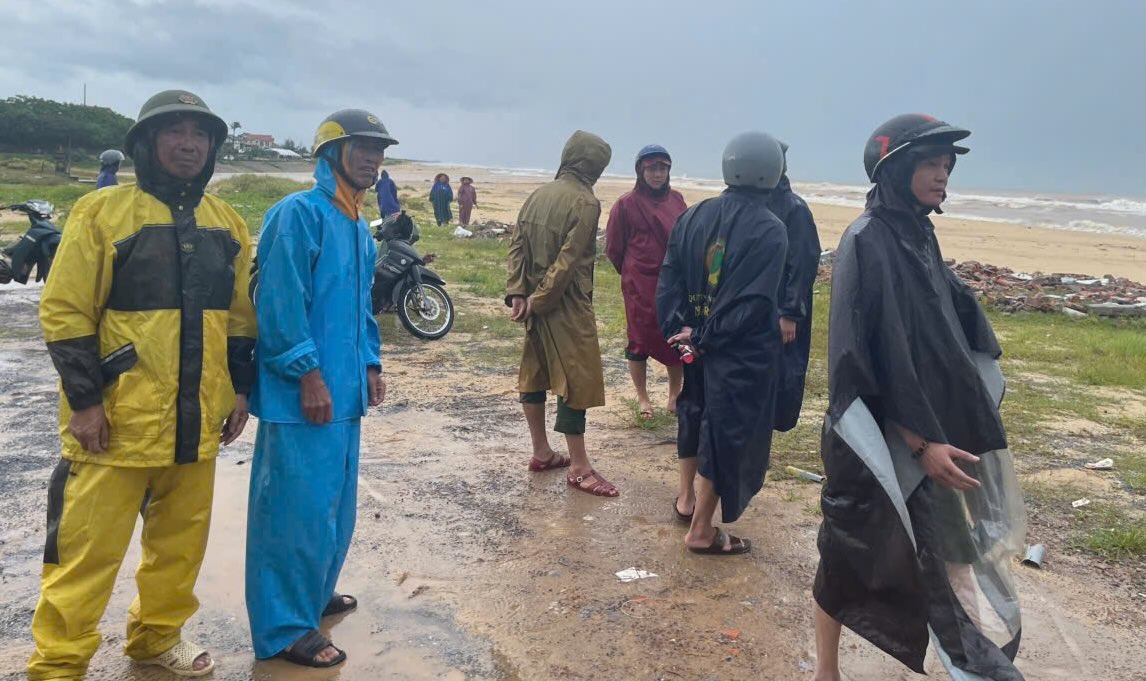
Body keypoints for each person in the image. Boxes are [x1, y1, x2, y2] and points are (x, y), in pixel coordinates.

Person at [29, 89, 256, 680]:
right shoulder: (100, 214)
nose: (189, 144)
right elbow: (66, 312)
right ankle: (58, 664)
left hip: (194, 425)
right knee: (84, 553)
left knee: (179, 549)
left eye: (200, 134)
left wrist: (239, 390)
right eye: (174, 131)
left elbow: (238, 319)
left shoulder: (226, 224)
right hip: (115, 423)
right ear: (145, 143)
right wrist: (84, 404)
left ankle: (156, 638)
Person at [812, 114, 1026, 681]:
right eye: (930, 163)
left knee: (954, 554)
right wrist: (921, 441)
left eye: (947, 166)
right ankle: (825, 672)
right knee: (845, 555)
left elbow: (944, 333)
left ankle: (972, 662)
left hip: (934, 434)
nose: (942, 175)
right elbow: (866, 356)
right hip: (882, 441)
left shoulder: (917, 234)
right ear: (896, 167)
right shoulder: (867, 241)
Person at [245, 109, 392, 669]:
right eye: (361, 147)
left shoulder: (356, 226)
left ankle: (311, 593)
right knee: (292, 512)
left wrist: (371, 363)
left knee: (332, 506)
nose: (373, 158)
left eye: (378, 150)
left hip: (345, 393)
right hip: (301, 395)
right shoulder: (297, 215)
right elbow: (279, 306)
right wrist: (306, 373)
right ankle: (285, 628)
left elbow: (360, 311)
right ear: (330, 153)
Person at [656, 132, 788, 552]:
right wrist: (706, 336)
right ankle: (701, 530)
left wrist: (679, 332)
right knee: (725, 432)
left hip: (692, 342)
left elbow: (669, 280)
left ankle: (685, 499)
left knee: (693, 415)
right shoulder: (770, 229)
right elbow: (751, 302)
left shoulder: (692, 216)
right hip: (737, 352)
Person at [506, 130, 619, 498]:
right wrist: (539, 299)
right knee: (576, 380)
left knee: (534, 374)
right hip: (565, 304)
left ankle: (541, 452)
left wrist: (518, 293)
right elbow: (568, 261)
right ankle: (580, 467)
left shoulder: (538, 194)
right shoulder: (585, 202)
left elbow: (517, 245)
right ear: (594, 165)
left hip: (533, 304)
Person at [605, 144, 686, 424]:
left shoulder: (677, 200)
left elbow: (685, 240)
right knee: (638, 341)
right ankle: (642, 396)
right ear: (641, 170)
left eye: (662, 168)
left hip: (673, 283)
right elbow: (614, 248)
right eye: (652, 168)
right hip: (639, 284)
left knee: (674, 338)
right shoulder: (625, 205)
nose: (657, 174)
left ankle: (675, 394)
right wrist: (631, 274)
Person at [766, 142, 822, 431]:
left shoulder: (794, 209)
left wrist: (789, 311)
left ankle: (771, 425)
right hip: (758, 303)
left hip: (783, 305)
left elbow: (803, 262)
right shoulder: (755, 200)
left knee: (784, 369)